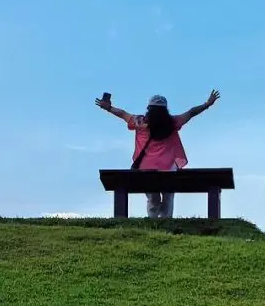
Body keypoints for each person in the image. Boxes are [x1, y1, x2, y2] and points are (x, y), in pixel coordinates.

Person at [95, 90, 221, 219]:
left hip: (146, 169)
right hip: (168, 169)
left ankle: (153, 221)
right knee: (168, 197)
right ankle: (166, 221)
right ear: (165, 110)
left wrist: (108, 108)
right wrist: (207, 104)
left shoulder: (139, 122)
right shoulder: (173, 123)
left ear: (149, 109)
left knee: (153, 199)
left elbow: (122, 114)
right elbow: (191, 112)